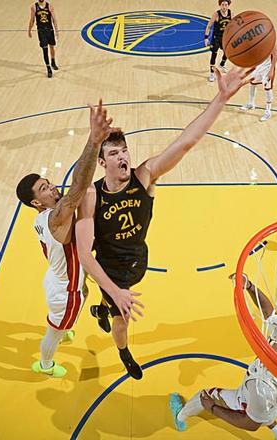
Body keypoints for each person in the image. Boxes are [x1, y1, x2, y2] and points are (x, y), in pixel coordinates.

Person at [75, 66, 252, 380]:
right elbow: (85, 255)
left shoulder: (144, 176)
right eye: (114, 153)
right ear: (102, 162)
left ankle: (103, 305)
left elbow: (185, 143)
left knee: (114, 301)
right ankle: (124, 352)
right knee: (121, 320)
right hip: (110, 270)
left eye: (124, 150)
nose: (123, 157)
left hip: (138, 260)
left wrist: (221, 99)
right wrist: (115, 291)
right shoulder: (91, 196)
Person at [16, 100, 129, 378]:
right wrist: (94, 140)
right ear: (36, 203)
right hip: (65, 291)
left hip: (60, 280)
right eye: (44, 188)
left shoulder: (45, 218)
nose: (53, 187)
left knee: (85, 293)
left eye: (48, 182)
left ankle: (63, 326)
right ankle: (45, 364)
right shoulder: (55, 218)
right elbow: (78, 188)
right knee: (53, 333)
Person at [169, 273, 277, 438]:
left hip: (246, 400)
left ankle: (180, 416)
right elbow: (269, 313)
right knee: (266, 413)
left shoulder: (262, 388)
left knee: (206, 396)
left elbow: (250, 424)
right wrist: (249, 286)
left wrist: (213, 408)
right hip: (274, 404)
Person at [239, 45, 277, 122]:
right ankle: (251, 103)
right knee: (252, 83)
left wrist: (271, 70)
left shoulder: (270, 41)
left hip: (268, 68)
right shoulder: (257, 40)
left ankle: (268, 112)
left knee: (267, 89)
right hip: (259, 66)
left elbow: (275, 55)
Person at [27, 0, 58, 78]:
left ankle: (53, 61)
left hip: (49, 29)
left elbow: (54, 19)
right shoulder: (34, 7)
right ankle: (48, 68)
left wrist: (56, 30)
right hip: (41, 31)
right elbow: (32, 20)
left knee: (52, 47)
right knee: (45, 49)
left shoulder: (49, 6)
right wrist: (29, 30)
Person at [204, 0, 231, 82]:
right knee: (214, 55)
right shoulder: (216, 14)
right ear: (220, 5)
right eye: (222, 4)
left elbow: (234, 25)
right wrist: (206, 38)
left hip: (225, 37)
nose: (224, 6)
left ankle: (222, 64)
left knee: (227, 52)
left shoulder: (231, 14)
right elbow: (209, 26)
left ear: (228, 5)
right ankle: (212, 73)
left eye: (226, 4)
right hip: (216, 37)